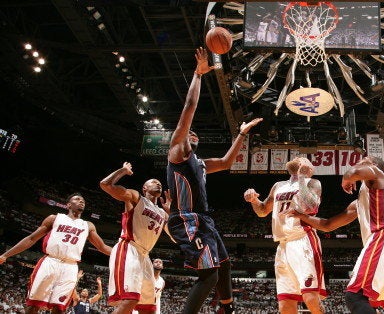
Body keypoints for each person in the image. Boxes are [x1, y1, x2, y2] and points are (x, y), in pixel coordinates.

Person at [166, 47, 262, 314]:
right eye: (188, 131)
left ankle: (227, 307)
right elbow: (190, 107)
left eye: (195, 132)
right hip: (186, 218)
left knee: (225, 263)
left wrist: (241, 135)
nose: (191, 133)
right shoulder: (176, 153)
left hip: (203, 219)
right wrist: (198, 74)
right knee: (208, 276)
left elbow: (228, 162)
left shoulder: (200, 163)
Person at [290, 156, 384, 313]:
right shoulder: (360, 201)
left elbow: (353, 172)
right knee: (365, 300)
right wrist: (302, 216)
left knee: (354, 296)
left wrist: (348, 178)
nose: (359, 161)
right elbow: (327, 225)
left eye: (364, 160)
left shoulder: (377, 173)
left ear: (372, 165)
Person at [0, 193, 111, 314]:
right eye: (77, 199)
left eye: (83, 200)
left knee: (59, 308)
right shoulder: (55, 218)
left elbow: (102, 247)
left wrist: (125, 253)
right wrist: (6, 254)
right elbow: (31, 238)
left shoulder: (88, 226)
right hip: (50, 261)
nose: (81, 201)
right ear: (68, 204)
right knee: (34, 304)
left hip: (70, 266)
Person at [243, 156, 326, 314]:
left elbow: (310, 207)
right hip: (283, 246)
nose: (299, 158)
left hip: (303, 240)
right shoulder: (278, 185)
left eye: (304, 159)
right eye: (297, 157)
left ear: (310, 169)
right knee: (286, 304)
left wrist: (302, 178)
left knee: (311, 298)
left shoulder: (313, 183)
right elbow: (262, 211)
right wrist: (254, 200)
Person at [100, 162, 171, 314]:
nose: (158, 184)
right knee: (130, 300)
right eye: (153, 182)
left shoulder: (162, 213)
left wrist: (171, 214)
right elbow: (105, 184)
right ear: (144, 188)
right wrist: (123, 171)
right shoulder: (136, 198)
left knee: (149, 308)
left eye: (159, 183)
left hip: (145, 256)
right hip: (129, 248)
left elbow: (176, 237)